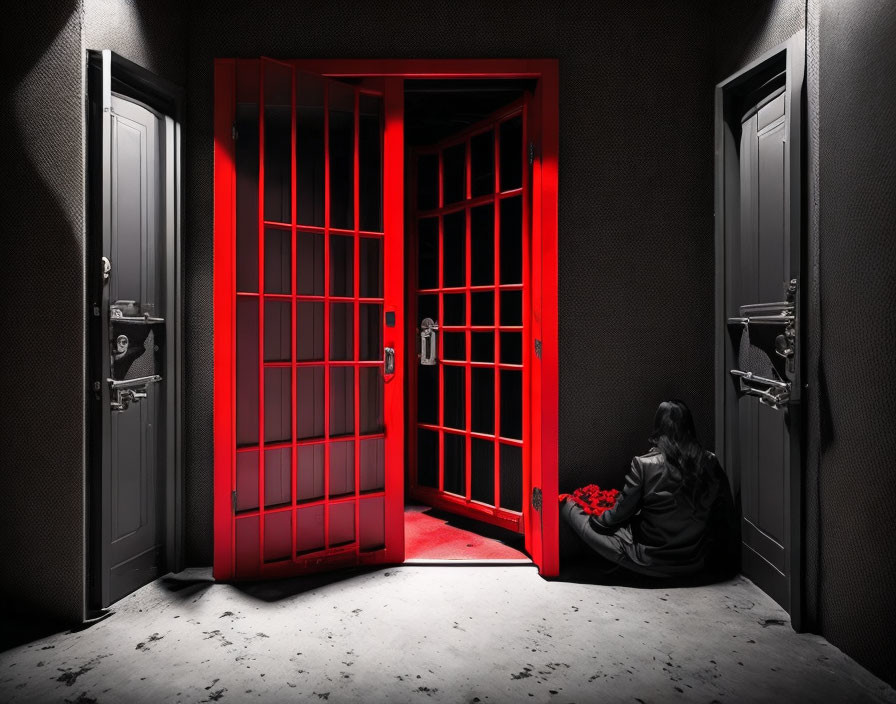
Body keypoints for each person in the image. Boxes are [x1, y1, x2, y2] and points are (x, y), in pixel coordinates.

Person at [561, 400, 738, 578]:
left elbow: (614, 517)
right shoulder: (710, 461)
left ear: (658, 426)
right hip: (696, 561)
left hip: (650, 560)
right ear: (689, 427)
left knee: (568, 506)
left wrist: (595, 517)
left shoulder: (644, 464)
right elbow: (725, 513)